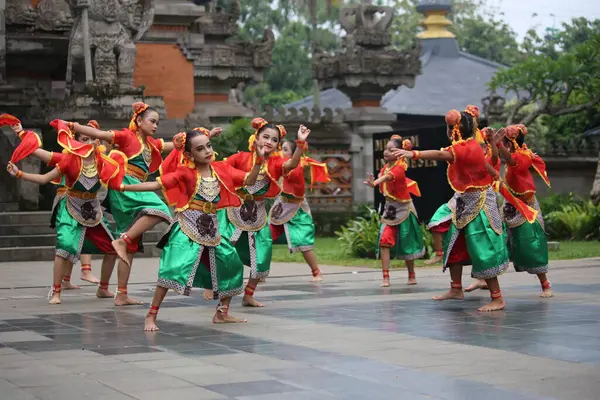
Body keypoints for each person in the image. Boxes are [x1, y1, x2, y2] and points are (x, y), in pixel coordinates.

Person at [63, 102, 222, 305]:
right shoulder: (126, 137)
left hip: (133, 189)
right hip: (125, 186)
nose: (156, 126)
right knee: (161, 209)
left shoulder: (152, 144)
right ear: (139, 120)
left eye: (157, 122)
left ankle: (118, 292)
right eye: (152, 121)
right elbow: (101, 134)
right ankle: (122, 243)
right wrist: (73, 126)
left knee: (129, 246)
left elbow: (178, 146)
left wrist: (207, 135)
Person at [118, 129, 266, 330]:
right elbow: (156, 185)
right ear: (189, 155)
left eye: (208, 146)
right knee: (171, 271)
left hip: (212, 229)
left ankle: (222, 313)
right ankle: (151, 316)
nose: (207, 151)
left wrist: (258, 161)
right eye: (200, 148)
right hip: (187, 227)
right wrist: (124, 187)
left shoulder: (221, 170)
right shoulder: (185, 173)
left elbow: (248, 180)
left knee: (232, 265)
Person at [393, 109, 509, 312]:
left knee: (482, 248)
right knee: (453, 244)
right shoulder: (466, 146)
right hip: (466, 201)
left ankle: (497, 298)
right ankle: (456, 288)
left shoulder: (466, 148)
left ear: (454, 129)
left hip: (479, 202)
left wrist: (413, 154)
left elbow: (440, 154)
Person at [6, 120, 122, 304]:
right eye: (84, 138)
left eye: (93, 138)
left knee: (113, 248)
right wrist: (19, 173)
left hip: (92, 208)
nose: (89, 142)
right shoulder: (70, 160)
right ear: (75, 141)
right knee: (64, 246)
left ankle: (103, 288)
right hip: (70, 206)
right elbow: (44, 176)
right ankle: (56, 291)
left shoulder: (103, 162)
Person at [218, 118, 311, 307]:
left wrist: (300, 143)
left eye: (274, 140)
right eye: (265, 137)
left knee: (263, 254)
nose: (269, 142)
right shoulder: (240, 157)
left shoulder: (277, 162)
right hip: (234, 211)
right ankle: (216, 289)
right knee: (225, 251)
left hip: (258, 214)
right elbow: (219, 169)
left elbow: (292, 164)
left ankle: (248, 294)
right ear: (256, 138)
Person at [499, 124, 553, 298]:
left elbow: (512, 161)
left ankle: (545, 284)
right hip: (510, 205)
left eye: (504, 142)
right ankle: (485, 280)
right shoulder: (513, 154)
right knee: (496, 239)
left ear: (510, 142)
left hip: (526, 208)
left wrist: (497, 144)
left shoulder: (524, 156)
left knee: (532, 244)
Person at [364, 135, 424, 287]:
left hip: (404, 208)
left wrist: (375, 182)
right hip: (390, 210)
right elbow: (384, 176)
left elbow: (386, 178)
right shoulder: (386, 167)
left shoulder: (399, 168)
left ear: (399, 152)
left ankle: (411, 274)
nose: (386, 152)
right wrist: (376, 181)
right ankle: (386, 277)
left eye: (391, 150)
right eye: (386, 149)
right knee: (384, 241)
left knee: (407, 242)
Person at [269, 139, 330, 282]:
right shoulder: (277, 166)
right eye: (280, 149)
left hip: (297, 210)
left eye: (285, 149)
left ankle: (317, 272)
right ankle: (258, 274)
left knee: (303, 243)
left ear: (293, 154)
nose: (280, 152)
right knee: (264, 239)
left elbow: (289, 170)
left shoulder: (295, 169)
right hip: (280, 208)